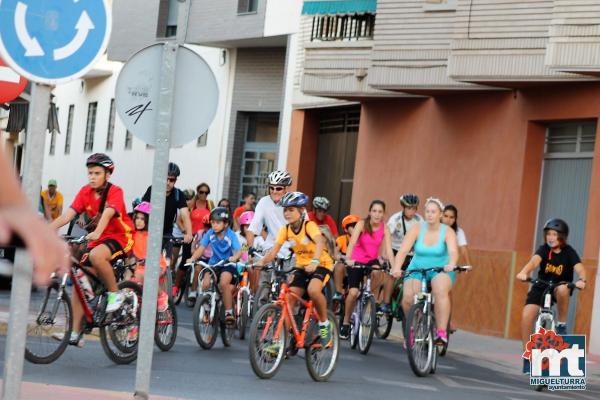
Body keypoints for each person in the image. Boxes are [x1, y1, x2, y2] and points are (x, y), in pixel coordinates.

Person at [50, 153, 134, 346]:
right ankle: (75, 333)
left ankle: (116, 294)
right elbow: (67, 217)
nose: (92, 177)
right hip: (99, 239)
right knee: (80, 281)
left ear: (107, 174)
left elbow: (108, 213)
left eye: (97, 173)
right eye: (90, 173)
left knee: (96, 256)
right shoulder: (84, 192)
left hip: (121, 237)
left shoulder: (116, 191)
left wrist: (97, 232)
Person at [255, 192, 334, 347]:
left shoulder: (308, 226)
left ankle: (325, 325)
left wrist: (315, 261)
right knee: (289, 300)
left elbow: (319, 243)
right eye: (285, 210)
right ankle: (280, 342)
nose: (287, 213)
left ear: (301, 211)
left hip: (321, 264)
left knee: (313, 290)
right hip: (301, 266)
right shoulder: (285, 230)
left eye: (291, 210)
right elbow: (274, 251)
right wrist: (260, 262)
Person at [516, 218, 586, 371]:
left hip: (560, 287)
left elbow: (580, 268)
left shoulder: (569, 252)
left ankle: (561, 324)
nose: (551, 237)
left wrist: (582, 279)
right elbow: (534, 262)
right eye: (548, 234)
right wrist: (524, 272)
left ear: (562, 237)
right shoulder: (543, 250)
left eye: (554, 234)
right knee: (526, 316)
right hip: (541, 285)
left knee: (563, 289)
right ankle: (528, 355)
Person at [392, 197, 459, 346]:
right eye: (427, 211)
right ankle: (411, 327)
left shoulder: (447, 231)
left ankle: (441, 332)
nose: (430, 214)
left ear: (440, 214)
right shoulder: (417, 228)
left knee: (440, 291)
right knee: (408, 298)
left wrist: (452, 264)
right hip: (417, 267)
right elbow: (403, 251)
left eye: (433, 212)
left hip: (441, 269)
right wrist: (396, 267)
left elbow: (453, 251)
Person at [0, 151, 69, 286]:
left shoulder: (54, 196)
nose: (51, 188)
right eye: (50, 186)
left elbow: (54, 211)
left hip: (46, 220)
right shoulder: (43, 194)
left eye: (53, 187)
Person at [340, 200, 395, 339]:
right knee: (352, 292)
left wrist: (395, 267)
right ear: (370, 212)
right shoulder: (361, 224)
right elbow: (351, 244)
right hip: (356, 259)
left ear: (384, 214)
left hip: (371, 260)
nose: (377, 214)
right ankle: (346, 322)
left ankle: (371, 298)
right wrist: (348, 259)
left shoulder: (385, 228)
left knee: (378, 271)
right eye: (374, 211)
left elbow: (389, 250)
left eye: (380, 212)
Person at [187, 207, 242, 324]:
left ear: (226, 224)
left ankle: (228, 312)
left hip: (227, 264)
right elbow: (201, 248)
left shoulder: (231, 235)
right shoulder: (210, 234)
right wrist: (192, 258)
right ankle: (207, 307)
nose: (214, 225)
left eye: (218, 222)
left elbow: (239, 250)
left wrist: (234, 257)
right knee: (205, 284)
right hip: (213, 264)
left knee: (223, 283)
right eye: (212, 222)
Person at [141, 162, 192, 251]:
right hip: (149, 231)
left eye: (171, 180)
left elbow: (185, 215)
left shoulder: (178, 194)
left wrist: (189, 233)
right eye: (166, 179)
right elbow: (142, 211)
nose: (168, 183)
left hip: (167, 233)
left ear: (175, 180)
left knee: (167, 262)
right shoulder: (153, 190)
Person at [128, 201, 169, 312]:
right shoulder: (132, 234)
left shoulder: (152, 235)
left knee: (145, 275)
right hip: (138, 266)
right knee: (127, 283)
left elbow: (155, 254)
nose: (139, 221)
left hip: (155, 265)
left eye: (142, 219)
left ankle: (161, 295)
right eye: (137, 218)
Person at [246, 170, 293, 258]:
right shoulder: (264, 202)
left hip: (292, 250)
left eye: (278, 188)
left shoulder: (295, 202)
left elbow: (305, 229)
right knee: (257, 267)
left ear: (286, 189)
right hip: (271, 248)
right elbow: (252, 229)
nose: (274, 191)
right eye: (271, 188)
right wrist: (248, 250)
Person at [387, 193, 422, 268]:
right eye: (409, 208)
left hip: (412, 253)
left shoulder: (419, 220)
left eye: (414, 209)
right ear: (403, 208)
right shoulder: (395, 219)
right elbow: (387, 237)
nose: (412, 212)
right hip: (396, 250)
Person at [332, 214, 360, 300]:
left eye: (357, 226)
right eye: (352, 226)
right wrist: (341, 257)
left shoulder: (362, 240)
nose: (355, 228)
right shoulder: (341, 239)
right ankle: (338, 292)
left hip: (357, 267)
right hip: (344, 267)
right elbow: (335, 254)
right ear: (345, 229)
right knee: (339, 266)